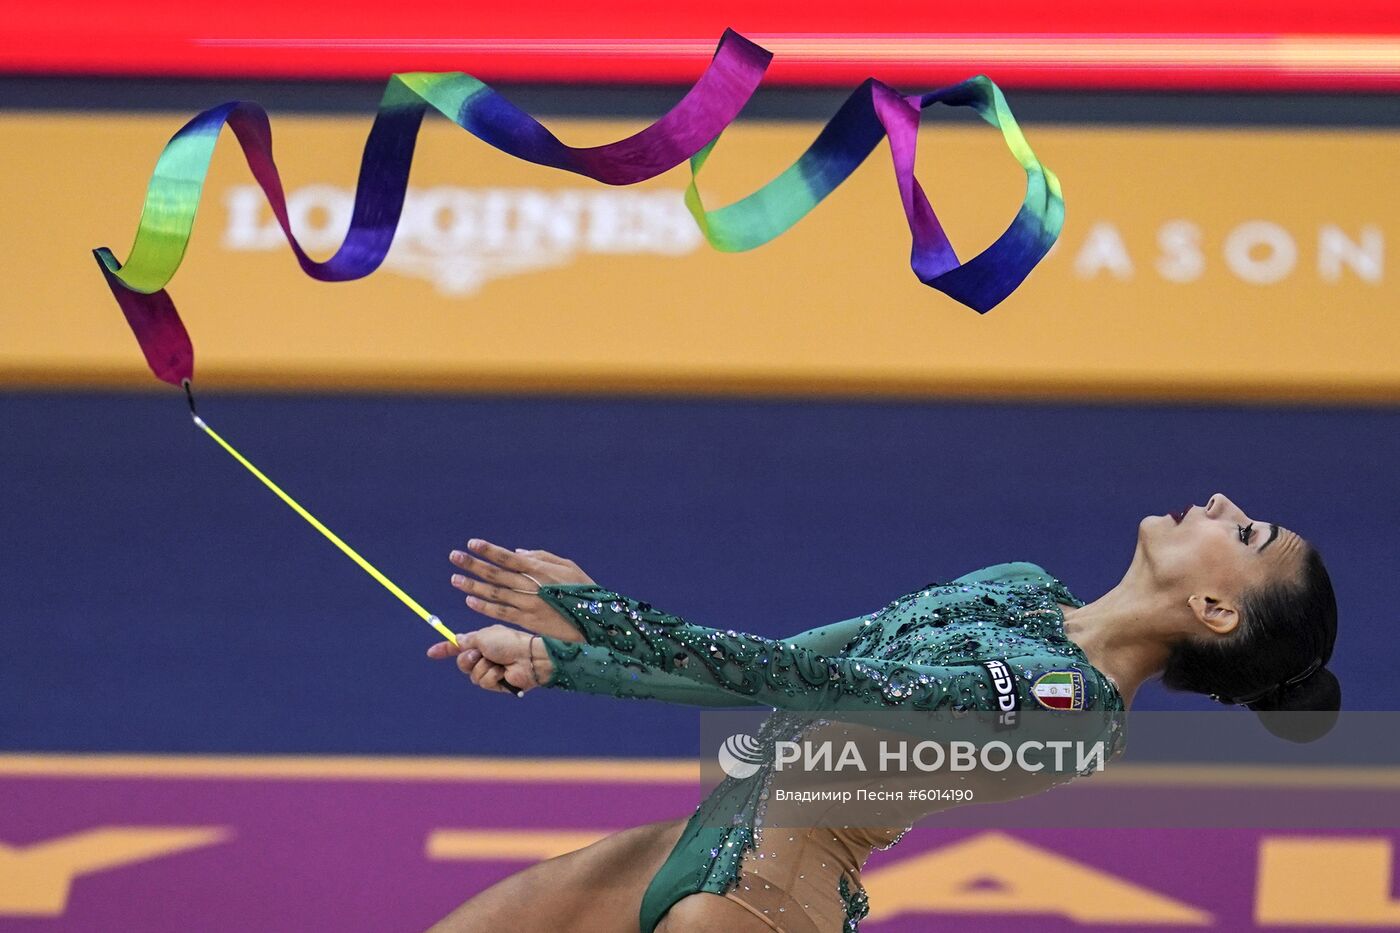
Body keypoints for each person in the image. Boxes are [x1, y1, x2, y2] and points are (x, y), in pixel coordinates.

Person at [424, 493, 1339, 932]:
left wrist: (612, 622)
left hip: (764, 898)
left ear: (1217, 612)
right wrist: (574, 659)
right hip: (695, 841)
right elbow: (803, 663)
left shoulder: (1076, 710)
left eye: (1246, 534)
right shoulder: (1021, 586)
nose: (1224, 507)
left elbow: (838, 694)